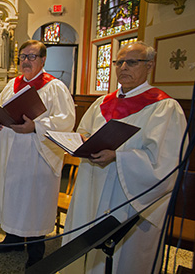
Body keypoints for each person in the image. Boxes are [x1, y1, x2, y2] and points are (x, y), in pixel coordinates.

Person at [62, 42, 186, 273]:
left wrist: (119, 157)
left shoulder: (164, 108)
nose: (123, 67)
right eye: (119, 62)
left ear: (149, 65)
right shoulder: (102, 102)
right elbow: (84, 132)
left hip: (127, 194)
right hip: (93, 185)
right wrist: (81, 141)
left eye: (131, 62)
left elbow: (165, 164)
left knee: (123, 258)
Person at [0, 40, 75, 268]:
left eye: (32, 56)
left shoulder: (54, 87)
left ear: (43, 60)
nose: (26, 61)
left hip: (38, 154)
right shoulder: (11, 85)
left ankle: (37, 248)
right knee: (13, 195)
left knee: (34, 199)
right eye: (23, 56)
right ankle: (14, 239)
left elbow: (66, 121)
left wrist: (36, 126)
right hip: (10, 151)